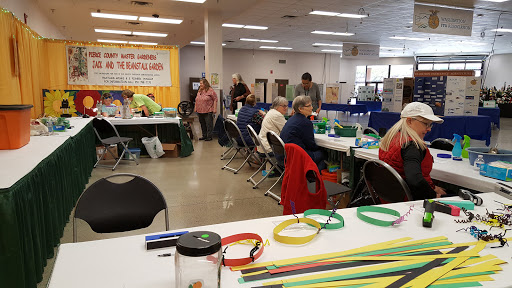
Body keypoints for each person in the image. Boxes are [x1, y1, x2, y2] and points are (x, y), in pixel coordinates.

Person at [379, 102, 447, 200]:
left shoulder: (392, 139)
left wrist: (432, 187)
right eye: (426, 124)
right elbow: (415, 180)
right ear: (409, 121)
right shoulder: (412, 146)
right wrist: (433, 195)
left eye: (430, 125)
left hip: (389, 197)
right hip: (409, 201)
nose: (429, 129)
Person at [280, 95, 325, 171]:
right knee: (324, 154)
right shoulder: (305, 123)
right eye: (309, 106)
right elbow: (311, 145)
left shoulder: (291, 119)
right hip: (297, 157)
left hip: (284, 156)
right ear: (300, 109)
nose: (312, 108)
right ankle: (315, 178)